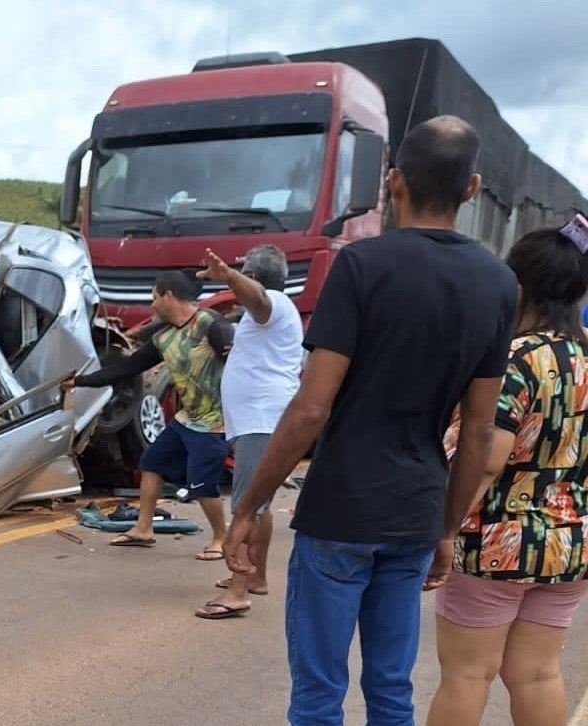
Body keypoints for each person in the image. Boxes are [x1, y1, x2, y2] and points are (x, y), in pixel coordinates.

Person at [219, 115, 518, 725]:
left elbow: (309, 410)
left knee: (319, 696)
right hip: (414, 513)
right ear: (471, 188)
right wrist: (445, 526)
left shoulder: (360, 267)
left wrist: (249, 507)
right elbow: (480, 431)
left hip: (340, 512)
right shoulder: (498, 283)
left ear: (394, 181)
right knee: (390, 690)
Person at [427, 216, 588, 726]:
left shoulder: (515, 359)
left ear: (517, 286)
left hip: (498, 539)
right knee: (538, 672)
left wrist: (445, 529)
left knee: (467, 674)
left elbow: (486, 458)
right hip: (572, 542)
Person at [66, 270, 233, 557]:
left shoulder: (211, 325)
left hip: (216, 423)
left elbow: (242, 364)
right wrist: (79, 381)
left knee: (201, 484)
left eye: (154, 297)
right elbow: (126, 369)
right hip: (187, 420)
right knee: (152, 463)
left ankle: (222, 539)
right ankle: (144, 528)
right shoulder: (165, 336)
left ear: (169, 295)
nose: (152, 304)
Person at [192, 244, 303, 619]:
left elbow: (256, 297)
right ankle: (255, 577)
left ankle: (238, 591)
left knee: (245, 507)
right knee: (260, 503)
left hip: (263, 421)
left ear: (252, 278)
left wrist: (229, 277)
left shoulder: (271, 303)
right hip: (261, 421)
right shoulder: (264, 318)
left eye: (243, 276)